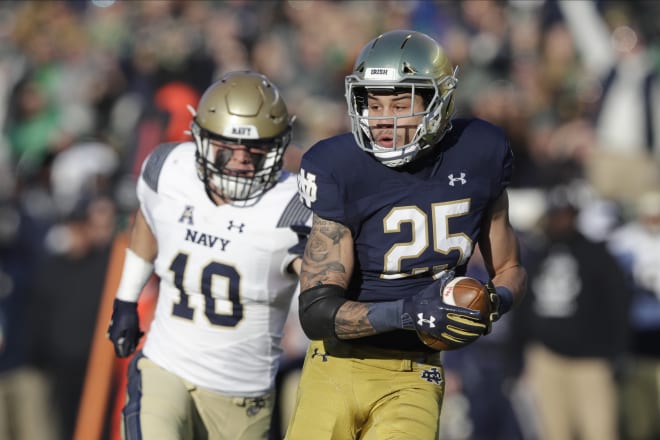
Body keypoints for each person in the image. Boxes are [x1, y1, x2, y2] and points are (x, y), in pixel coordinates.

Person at [285, 30, 527, 440]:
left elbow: (510, 268)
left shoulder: (481, 150)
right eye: (373, 103)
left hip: (417, 372)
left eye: (400, 103)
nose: (383, 118)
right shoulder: (338, 165)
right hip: (335, 366)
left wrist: (491, 305)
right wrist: (409, 311)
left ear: (439, 103)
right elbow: (316, 312)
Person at [106, 71, 311, 440]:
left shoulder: (294, 204)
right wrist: (126, 299)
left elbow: (322, 282)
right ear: (202, 141)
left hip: (243, 395)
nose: (240, 160)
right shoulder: (169, 169)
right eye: (227, 148)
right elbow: (148, 220)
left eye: (255, 150)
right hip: (166, 368)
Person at [514, 183, 631, 440]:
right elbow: (522, 306)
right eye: (555, 214)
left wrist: (617, 352)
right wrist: (516, 357)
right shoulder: (538, 254)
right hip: (546, 358)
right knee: (554, 432)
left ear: (576, 215)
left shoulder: (597, 254)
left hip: (591, 361)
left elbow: (618, 305)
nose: (560, 220)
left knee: (600, 431)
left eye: (566, 214)